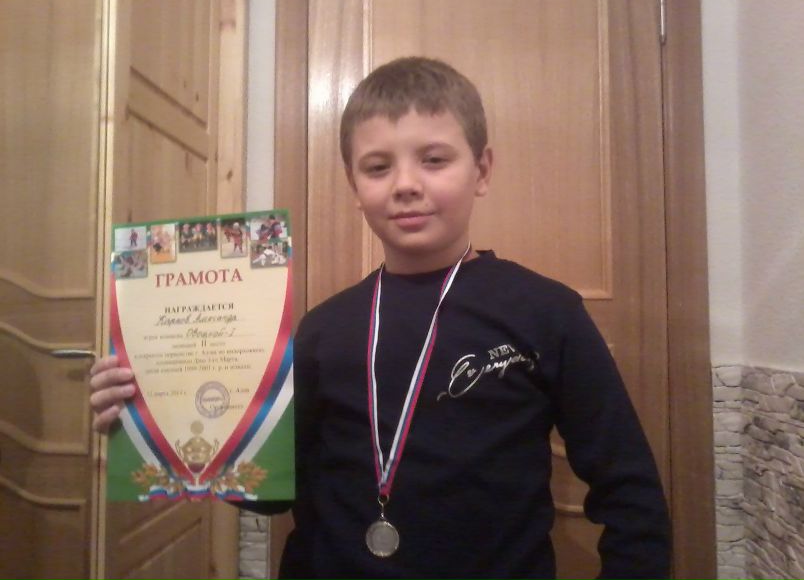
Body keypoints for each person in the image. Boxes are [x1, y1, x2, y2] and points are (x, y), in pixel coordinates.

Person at [89, 57, 670, 579]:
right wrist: (152, 411)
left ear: (482, 171)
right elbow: (269, 495)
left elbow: (632, 496)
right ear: (354, 186)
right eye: (377, 167)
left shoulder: (545, 312)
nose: (406, 185)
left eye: (434, 160)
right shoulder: (322, 329)